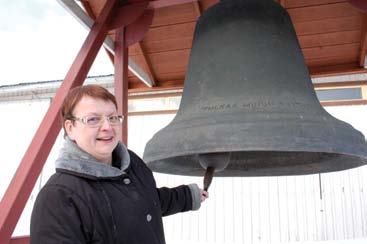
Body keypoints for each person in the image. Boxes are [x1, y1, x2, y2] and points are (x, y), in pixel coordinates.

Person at [30, 84, 208, 244]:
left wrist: (188, 196)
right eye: (93, 119)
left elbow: (148, 200)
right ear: (70, 128)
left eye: (113, 117)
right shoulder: (58, 197)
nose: (107, 126)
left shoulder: (132, 163)